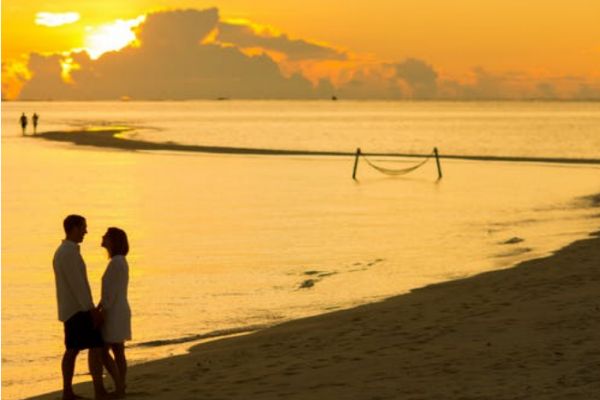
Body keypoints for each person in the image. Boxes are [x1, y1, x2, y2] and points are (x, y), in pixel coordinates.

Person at [52, 215, 111, 400]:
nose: (86, 231)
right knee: (91, 347)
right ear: (74, 228)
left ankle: (70, 391)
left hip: (73, 308)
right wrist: (91, 310)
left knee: (75, 349)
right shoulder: (68, 253)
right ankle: (94, 390)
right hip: (78, 309)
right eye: (83, 227)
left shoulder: (65, 251)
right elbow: (77, 285)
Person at [98, 227, 132, 398]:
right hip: (120, 309)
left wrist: (101, 310)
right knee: (118, 351)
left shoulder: (116, 263)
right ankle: (121, 387)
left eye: (106, 236)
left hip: (114, 312)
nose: (103, 237)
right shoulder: (120, 261)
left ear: (113, 241)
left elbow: (109, 293)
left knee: (103, 352)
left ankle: (119, 386)